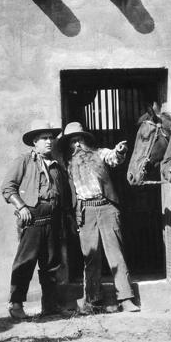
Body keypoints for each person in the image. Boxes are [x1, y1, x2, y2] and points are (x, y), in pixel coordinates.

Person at [62, 122, 140, 314]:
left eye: (79, 140)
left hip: (106, 208)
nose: (77, 145)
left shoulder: (99, 154)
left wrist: (120, 151)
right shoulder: (66, 163)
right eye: (73, 142)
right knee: (90, 257)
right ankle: (92, 300)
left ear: (86, 141)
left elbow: (114, 158)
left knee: (115, 254)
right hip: (85, 212)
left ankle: (126, 298)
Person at [1, 119, 70, 320]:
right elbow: (7, 187)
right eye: (44, 138)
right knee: (25, 263)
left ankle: (50, 306)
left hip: (53, 220)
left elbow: (64, 193)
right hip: (31, 220)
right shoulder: (23, 161)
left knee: (51, 265)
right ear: (34, 142)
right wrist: (21, 206)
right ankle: (16, 305)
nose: (49, 142)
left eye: (51, 138)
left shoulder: (57, 165)